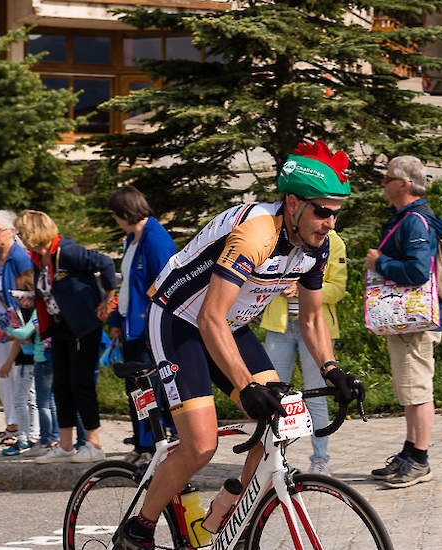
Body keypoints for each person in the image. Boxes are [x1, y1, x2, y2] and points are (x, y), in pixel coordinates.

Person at [114, 140, 360, 550]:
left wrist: (333, 371)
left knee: (281, 422)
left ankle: (224, 519)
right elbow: (209, 316)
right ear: (294, 203)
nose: (330, 222)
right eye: (323, 211)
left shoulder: (318, 246)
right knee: (201, 444)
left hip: (229, 325)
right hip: (180, 321)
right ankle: (138, 529)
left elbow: (313, 317)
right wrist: (246, 385)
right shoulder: (257, 233)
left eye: (337, 212)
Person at [365, 156, 442, 489]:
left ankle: (420, 460)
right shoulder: (408, 217)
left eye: (387, 179)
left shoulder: (414, 222)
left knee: (418, 390)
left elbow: (416, 271)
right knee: (408, 391)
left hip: (415, 323)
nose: (382, 184)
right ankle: (409, 452)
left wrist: (380, 262)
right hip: (405, 322)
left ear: (404, 184)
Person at [14, 210, 117, 463]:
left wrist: (108, 299)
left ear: (33, 233)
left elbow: (105, 263)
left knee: (81, 383)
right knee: (61, 386)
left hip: (84, 327)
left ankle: (94, 444)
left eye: (21, 233)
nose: (19, 238)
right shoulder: (40, 259)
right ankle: (66, 445)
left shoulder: (68, 252)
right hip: (59, 328)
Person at [261, 228, 348, 475]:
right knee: (273, 396)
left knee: (316, 399)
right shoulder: (281, 236)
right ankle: (274, 461)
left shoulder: (334, 243)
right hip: (279, 327)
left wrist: (301, 289)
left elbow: (337, 289)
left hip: (316, 328)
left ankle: (320, 460)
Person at [107, 186, 178, 466]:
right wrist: (116, 320)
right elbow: (128, 286)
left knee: (150, 388)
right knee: (135, 388)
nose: (114, 219)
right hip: (130, 326)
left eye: (115, 214)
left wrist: (153, 328)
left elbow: (164, 287)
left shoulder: (156, 239)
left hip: (149, 328)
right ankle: (141, 442)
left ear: (125, 212)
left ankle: (153, 444)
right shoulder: (131, 238)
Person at [0, 209, 35, 446]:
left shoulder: (20, 257)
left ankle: (29, 429)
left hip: (19, 326)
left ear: (12, 231)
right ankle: (12, 425)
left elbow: (27, 289)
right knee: (3, 377)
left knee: (20, 376)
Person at [4, 274, 60, 457]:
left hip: (41, 360)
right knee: (46, 403)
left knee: (37, 403)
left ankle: (39, 440)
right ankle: (50, 439)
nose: (19, 299)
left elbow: (24, 333)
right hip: (42, 359)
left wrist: (5, 330)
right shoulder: (37, 310)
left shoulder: (37, 311)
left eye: (21, 294)